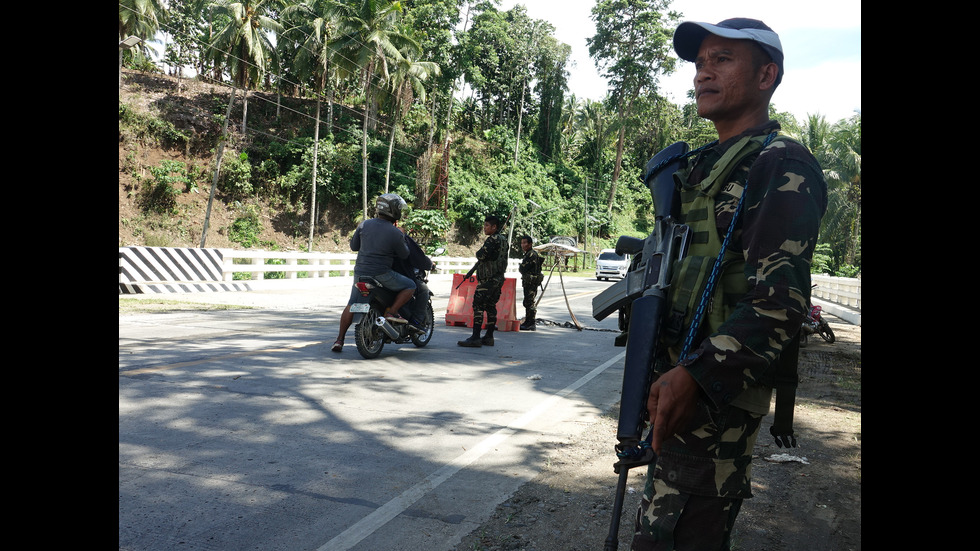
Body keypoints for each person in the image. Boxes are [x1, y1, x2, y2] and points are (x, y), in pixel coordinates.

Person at [628, 18, 828, 550]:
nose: (702, 74)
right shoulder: (703, 166)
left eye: (722, 60)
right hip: (677, 387)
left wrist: (693, 377)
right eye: (699, 62)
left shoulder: (781, 164)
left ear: (767, 75)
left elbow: (780, 303)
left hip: (713, 398)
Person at [331, 193, 417, 352]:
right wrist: (401, 237)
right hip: (382, 274)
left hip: (361, 273)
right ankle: (392, 312)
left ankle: (339, 340)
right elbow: (404, 255)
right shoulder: (396, 232)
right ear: (394, 211)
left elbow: (354, 247)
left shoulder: (363, 225)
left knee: (351, 304)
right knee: (411, 285)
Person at [457, 214, 508, 347]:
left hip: (488, 280)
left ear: (494, 227)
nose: (484, 228)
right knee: (491, 307)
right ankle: (489, 336)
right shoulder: (504, 240)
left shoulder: (492, 240)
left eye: (487, 225)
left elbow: (481, 255)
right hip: (498, 279)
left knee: (478, 306)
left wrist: (479, 254)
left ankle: (475, 337)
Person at [517, 235, 543, 331]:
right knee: (527, 302)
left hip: (531, 282)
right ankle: (528, 321)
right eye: (522, 243)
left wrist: (522, 267)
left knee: (529, 302)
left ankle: (531, 323)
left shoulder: (531, 254)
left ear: (530, 244)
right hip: (528, 281)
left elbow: (523, 268)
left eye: (525, 243)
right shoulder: (529, 254)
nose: (523, 245)